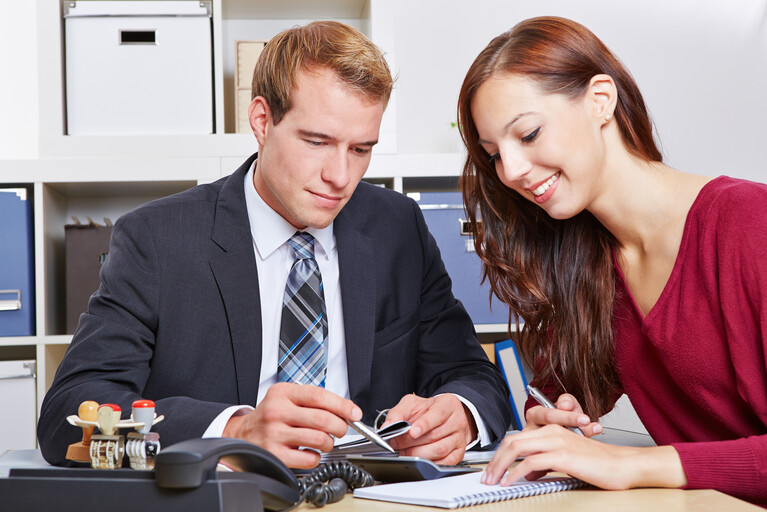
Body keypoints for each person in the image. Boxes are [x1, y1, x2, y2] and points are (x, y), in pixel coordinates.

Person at [38, 20, 512, 470]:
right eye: (317, 141)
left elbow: (474, 375)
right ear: (262, 121)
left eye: (361, 149)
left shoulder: (398, 227)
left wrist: (460, 413)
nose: (340, 177)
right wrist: (235, 430)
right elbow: (67, 415)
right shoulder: (158, 239)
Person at [456, 15, 767, 505]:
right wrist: (554, 418)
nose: (511, 171)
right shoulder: (588, 262)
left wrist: (631, 464)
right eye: (494, 154)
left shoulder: (750, 225)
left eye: (530, 134)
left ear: (600, 100)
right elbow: (556, 399)